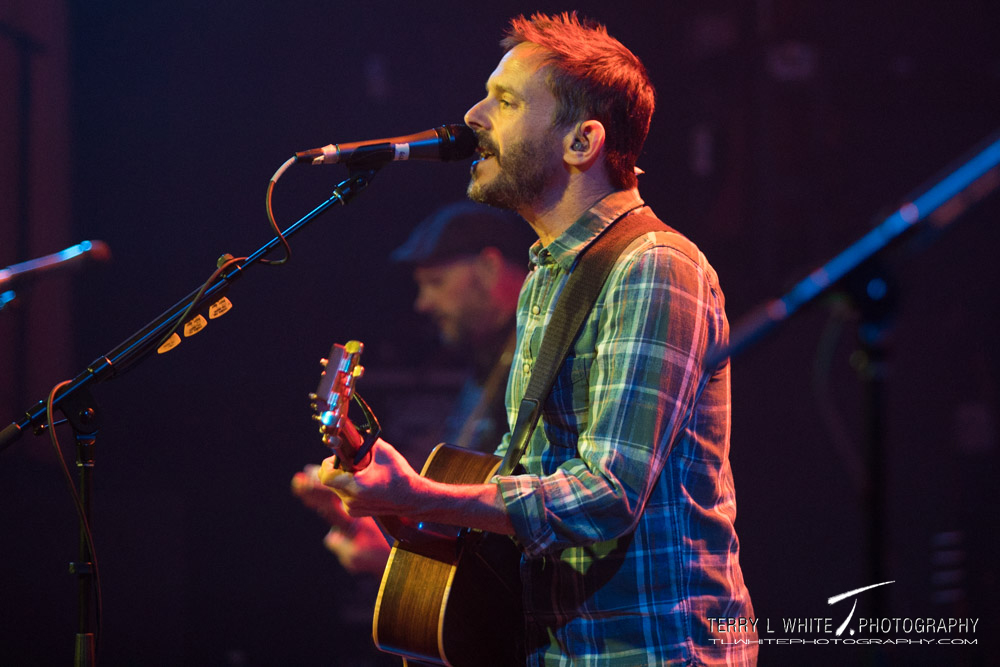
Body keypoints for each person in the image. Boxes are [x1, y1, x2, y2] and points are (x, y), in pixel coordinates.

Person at [317, 12, 757, 665]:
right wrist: (406, 512)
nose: (473, 116)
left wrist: (422, 496)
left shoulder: (654, 266)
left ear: (582, 142)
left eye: (506, 100)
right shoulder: (548, 276)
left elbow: (609, 493)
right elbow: (525, 477)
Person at [292, 202, 530, 573]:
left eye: (435, 283)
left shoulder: (533, 363)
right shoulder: (486, 364)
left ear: (489, 267)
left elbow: (527, 533)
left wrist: (397, 558)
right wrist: (385, 526)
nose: (422, 303)